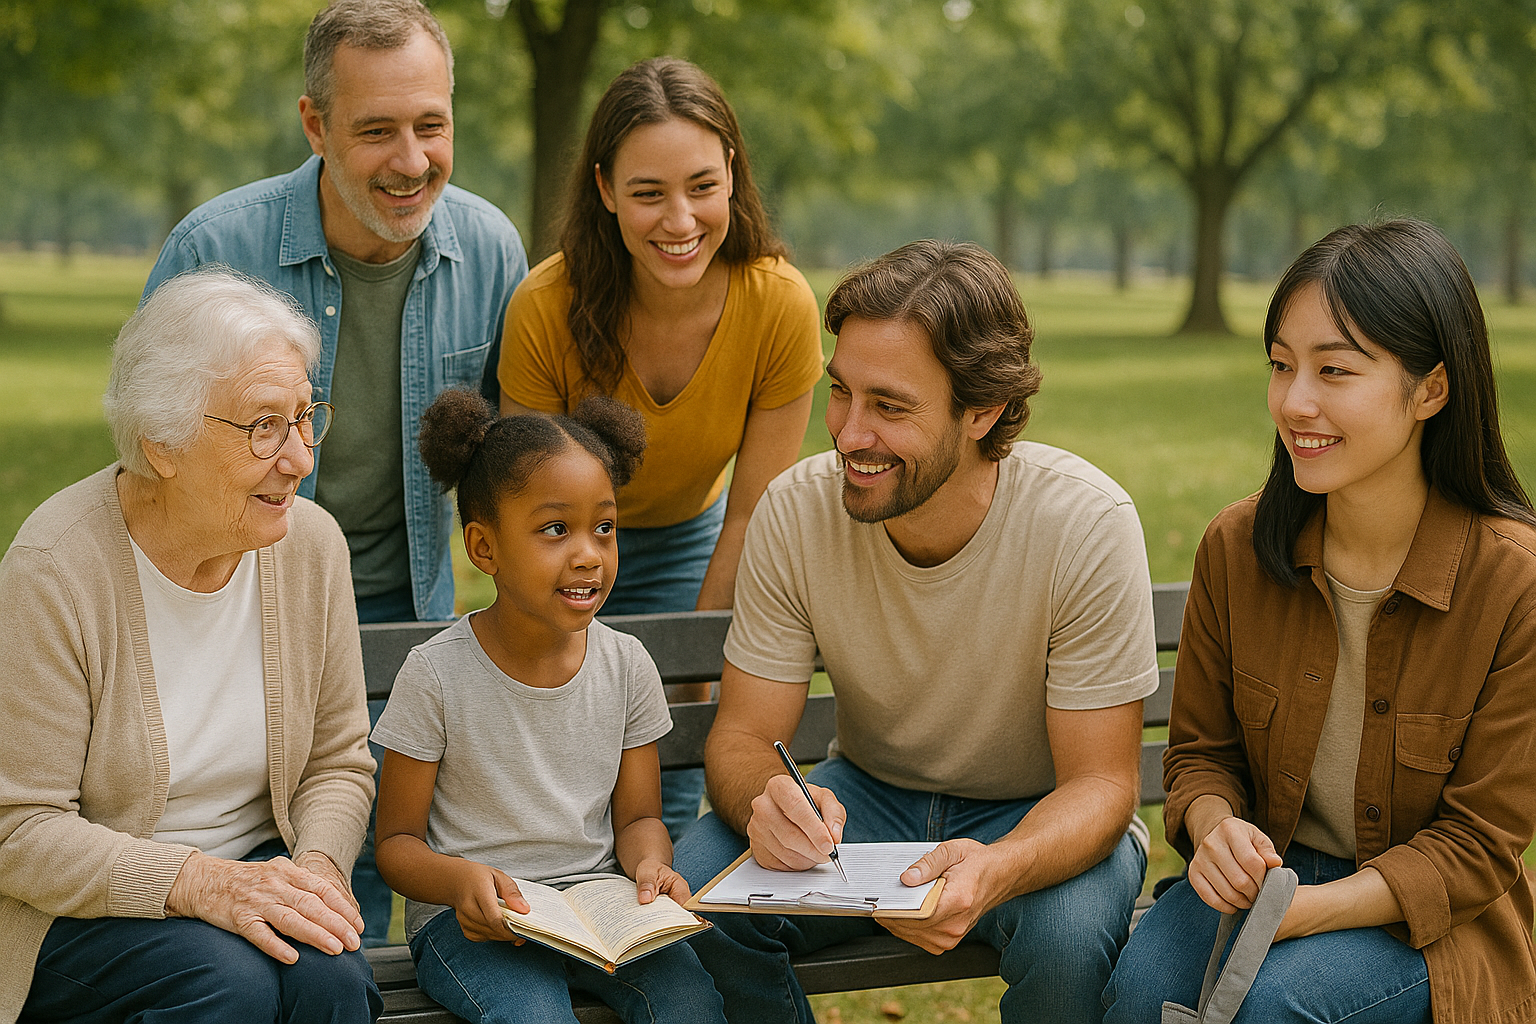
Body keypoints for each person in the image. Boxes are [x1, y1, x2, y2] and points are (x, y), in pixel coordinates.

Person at [673, 240, 1161, 1024]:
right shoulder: (796, 512)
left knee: (1065, 944)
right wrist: (765, 798)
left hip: (1033, 813)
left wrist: (999, 867)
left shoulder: (1084, 523)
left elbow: (1102, 786)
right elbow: (742, 736)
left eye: (890, 406)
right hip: (866, 800)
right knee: (700, 890)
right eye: (841, 392)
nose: (848, 433)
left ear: (983, 411)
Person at [142, 0, 528, 944]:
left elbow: (512, 465)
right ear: (315, 127)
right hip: (244, 634)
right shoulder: (213, 253)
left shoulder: (489, 251)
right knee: (282, 925)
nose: (411, 161)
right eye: (376, 130)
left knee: (396, 917)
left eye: (431, 126)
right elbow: (148, 470)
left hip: (412, 628)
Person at [1102, 220, 1536, 1024]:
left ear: (1430, 390)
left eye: (1334, 370)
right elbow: (1201, 755)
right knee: (1138, 996)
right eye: (1280, 366)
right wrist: (1215, 823)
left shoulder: (1515, 585)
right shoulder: (1237, 547)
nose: (1295, 402)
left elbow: (1478, 848)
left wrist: (1305, 913)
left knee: (1269, 1007)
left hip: (1429, 922)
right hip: (1267, 872)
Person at [0, 268, 380, 1024]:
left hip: (258, 882)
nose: (301, 458)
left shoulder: (310, 546)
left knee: (330, 978)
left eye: (307, 417)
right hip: (80, 914)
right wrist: (200, 883)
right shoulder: (55, 570)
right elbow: (20, 829)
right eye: (264, 426)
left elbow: (338, 761)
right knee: (228, 982)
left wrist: (313, 870)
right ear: (162, 443)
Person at [497, 57, 825, 841]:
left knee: (670, 757)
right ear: (605, 189)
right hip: (559, 538)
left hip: (697, 540)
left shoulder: (779, 304)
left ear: (734, 175)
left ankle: (647, 928)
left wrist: (691, 664)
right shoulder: (547, 306)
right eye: (648, 193)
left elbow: (753, 515)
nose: (680, 221)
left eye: (702, 186)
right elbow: (523, 511)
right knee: (559, 749)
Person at [370, 390, 726, 1024]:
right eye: (556, 529)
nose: (589, 552)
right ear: (485, 549)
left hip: (599, 912)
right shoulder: (436, 674)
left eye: (605, 527)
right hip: (474, 923)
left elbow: (639, 818)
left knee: (692, 1000)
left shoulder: (625, 665)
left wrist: (651, 867)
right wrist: (460, 884)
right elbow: (397, 844)